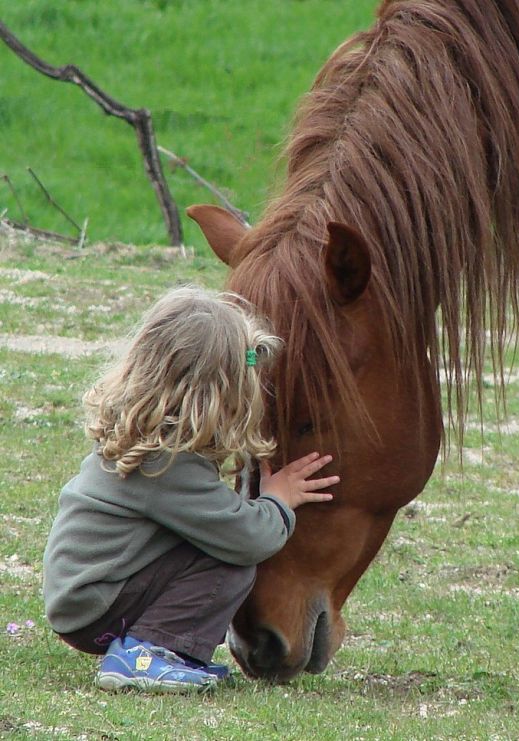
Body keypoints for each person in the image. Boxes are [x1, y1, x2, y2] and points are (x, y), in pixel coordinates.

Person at [42, 285, 339, 693]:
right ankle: (146, 656)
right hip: (97, 606)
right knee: (230, 561)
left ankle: (154, 650)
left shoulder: (141, 440)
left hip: (84, 596)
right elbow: (248, 537)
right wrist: (278, 499)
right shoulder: (166, 464)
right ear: (213, 396)